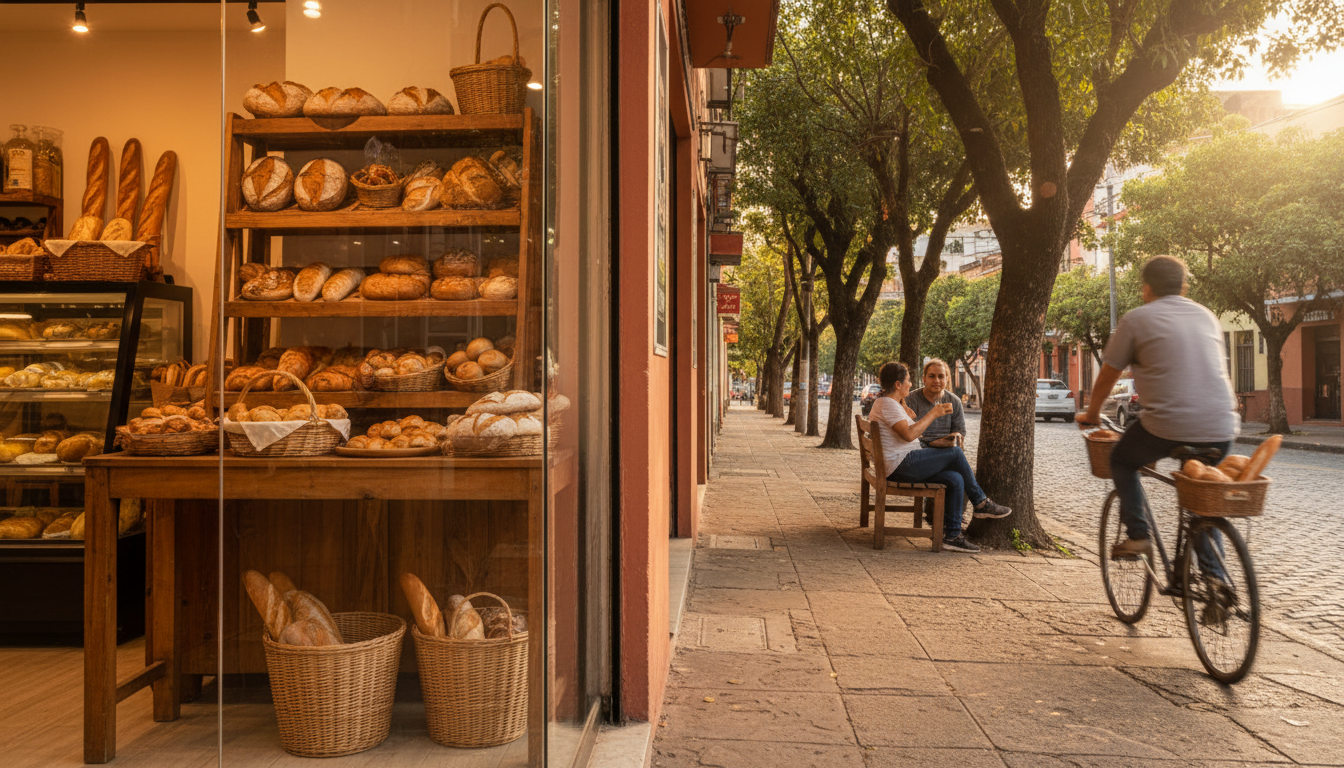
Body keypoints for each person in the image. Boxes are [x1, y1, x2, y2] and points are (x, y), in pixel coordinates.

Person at [1078, 256, 1238, 569]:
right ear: (1184, 286)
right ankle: (1215, 577)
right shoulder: (1207, 316)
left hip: (1166, 426)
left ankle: (1139, 533)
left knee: (1122, 460)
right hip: (1223, 425)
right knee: (1203, 498)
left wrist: (1092, 413)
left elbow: (1109, 375)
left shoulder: (1136, 319)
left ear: (1146, 289)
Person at [868, 361, 1012, 553]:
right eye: (908, 381)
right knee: (955, 453)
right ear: (897, 384)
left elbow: (910, 435)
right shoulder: (888, 404)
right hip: (901, 465)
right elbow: (909, 435)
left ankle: (952, 535)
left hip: (903, 462)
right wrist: (933, 414)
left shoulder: (889, 403)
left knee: (955, 478)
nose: (910, 384)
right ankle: (981, 503)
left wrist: (933, 441)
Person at [906, 359, 965, 449]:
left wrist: (956, 436)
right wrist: (932, 443)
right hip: (920, 451)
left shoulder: (954, 401)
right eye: (932, 376)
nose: (936, 380)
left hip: (946, 450)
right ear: (924, 379)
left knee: (957, 452)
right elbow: (907, 434)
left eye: (941, 376)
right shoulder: (911, 400)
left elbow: (960, 430)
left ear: (947, 379)